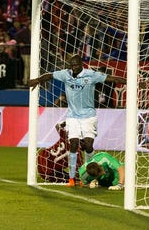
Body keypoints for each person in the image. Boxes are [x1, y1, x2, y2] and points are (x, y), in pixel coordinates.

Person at [28, 53, 127, 186]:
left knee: (88, 145)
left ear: (81, 64)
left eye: (76, 65)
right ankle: (72, 178)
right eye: (71, 65)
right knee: (73, 143)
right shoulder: (66, 74)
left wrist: (132, 82)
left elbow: (112, 78)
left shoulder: (91, 75)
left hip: (88, 116)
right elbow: (50, 75)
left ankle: (90, 176)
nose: (73, 68)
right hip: (73, 116)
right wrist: (36, 80)